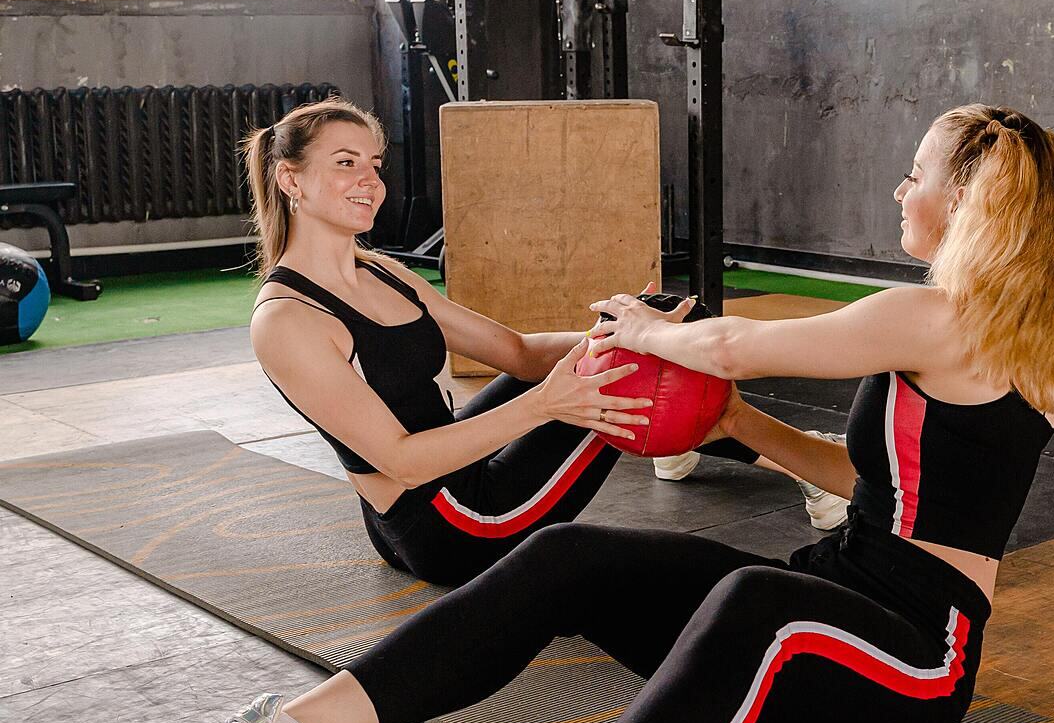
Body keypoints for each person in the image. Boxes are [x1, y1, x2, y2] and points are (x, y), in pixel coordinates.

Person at [97, 104, 1054, 723]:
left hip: (915, 654)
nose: (903, 188)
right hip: (844, 587)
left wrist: (639, 330)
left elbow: (732, 344)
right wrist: (743, 427)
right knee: (576, 556)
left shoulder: (940, 314)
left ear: (971, 199)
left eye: (919, 172)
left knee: (759, 600)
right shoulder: (984, 328)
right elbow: (871, 477)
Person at [241, 97, 818, 586]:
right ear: (291, 179)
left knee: (642, 341)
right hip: (452, 527)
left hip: (453, 485)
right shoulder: (289, 319)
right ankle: (802, 463)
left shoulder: (380, 271)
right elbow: (401, 461)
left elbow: (516, 353)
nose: (369, 181)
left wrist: (627, 329)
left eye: (374, 163)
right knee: (623, 377)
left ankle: (688, 432)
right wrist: (553, 401)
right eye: (345, 164)